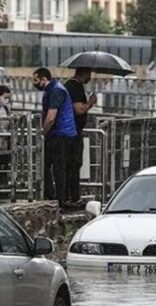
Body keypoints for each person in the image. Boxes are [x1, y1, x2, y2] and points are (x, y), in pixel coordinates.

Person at [32, 67, 77, 210]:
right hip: (61, 134)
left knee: (56, 168)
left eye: (36, 80)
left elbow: (51, 117)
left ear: (44, 78)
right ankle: (54, 198)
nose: (34, 83)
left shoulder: (55, 91)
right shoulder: (55, 89)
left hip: (59, 134)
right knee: (50, 167)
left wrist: (42, 134)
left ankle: (58, 200)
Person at [64, 68, 97, 208]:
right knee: (74, 164)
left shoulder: (70, 85)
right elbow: (79, 109)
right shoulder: (75, 87)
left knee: (72, 165)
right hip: (74, 132)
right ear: (85, 74)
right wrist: (90, 102)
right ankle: (73, 197)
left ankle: (70, 196)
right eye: (89, 73)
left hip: (71, 131)